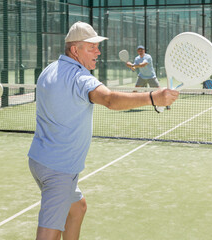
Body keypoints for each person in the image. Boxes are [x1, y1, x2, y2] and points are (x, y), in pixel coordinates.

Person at [27, 21, 179, 240]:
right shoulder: (81, 78)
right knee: (48, 234)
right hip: (59, 169)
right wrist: (153, 97)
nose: (98, 51)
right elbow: (109, 99)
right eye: (91, 47)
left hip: (39, 160)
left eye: (97, 46)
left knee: (78, 208)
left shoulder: (49, 70)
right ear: (74, 50)